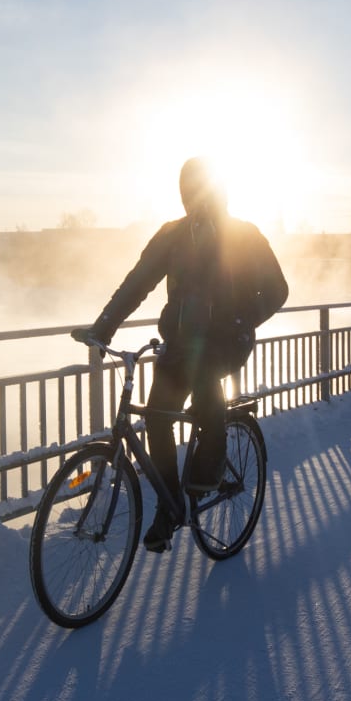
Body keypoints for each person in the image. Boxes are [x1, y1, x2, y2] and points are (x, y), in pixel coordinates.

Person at [75, 158, 289, 551]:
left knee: (207, 387)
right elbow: (136, 283)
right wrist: (102, 327)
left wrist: (243, 321)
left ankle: (213, 449)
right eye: (190, 191)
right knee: (157, 417)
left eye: (202, 190)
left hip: (226, 343)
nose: (196, 199)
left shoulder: (243, 235)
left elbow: (277, 290)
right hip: (179, 346)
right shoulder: (172, 236)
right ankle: (170, 507)